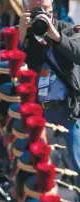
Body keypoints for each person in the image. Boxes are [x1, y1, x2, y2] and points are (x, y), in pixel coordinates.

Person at [19, 0, 80, 181]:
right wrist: (21, 34)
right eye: (35, 9)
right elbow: (11, 63)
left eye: (44, 9)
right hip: (37, 112)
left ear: (52, 6)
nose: (41, 13)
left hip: (66, 109)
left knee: (77, 165)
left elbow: (78, 54)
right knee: (38, 168)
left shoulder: (67, 29)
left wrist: (56, 36)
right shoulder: (25, 32)